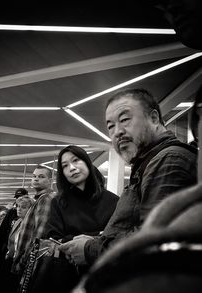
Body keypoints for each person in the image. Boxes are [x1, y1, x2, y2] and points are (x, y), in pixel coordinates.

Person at [59, 88, 197, 266]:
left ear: (154, 118)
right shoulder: (148, 164)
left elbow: (154, 241)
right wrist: (97, 241)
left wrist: (90, 250)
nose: (117, 132)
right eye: (110, 126)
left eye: (125, 119)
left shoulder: (168, 160)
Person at [28, 145, 119, 293]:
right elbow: (51, 237)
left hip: (102, 275)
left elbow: (118, 236)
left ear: (87, 163)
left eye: (76, 160)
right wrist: (95, 237)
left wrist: (88, 241)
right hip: (64, 275)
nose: (71, 168)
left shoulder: (113, 201)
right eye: (65, 166)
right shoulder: (58, 202)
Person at [12, 165, 56, 275]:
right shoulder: (39, 199)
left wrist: (23, 261)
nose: (36, 179)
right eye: (34, 176)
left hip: (29, 263)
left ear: (50, 181)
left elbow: (38, 236)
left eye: (41, 176)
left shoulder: (46, 199)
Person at [0, 187, 29, 292]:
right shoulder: (12, 213)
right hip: (7, 253)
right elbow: (2, 232)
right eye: (17, 198)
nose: (18, 200)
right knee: (1, 280)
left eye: (21, 197)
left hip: (19, 259)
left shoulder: (29, 220)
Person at [0, 196, 35, 293]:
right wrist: (9, 253)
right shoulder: (18, 221)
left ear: (30, 209)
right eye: (18, 206)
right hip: (10, 260)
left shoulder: (32, 224)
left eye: (23, 207)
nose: (19, 209)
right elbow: (11, 241)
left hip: (22, 263)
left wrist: (21, 261)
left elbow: (30, 246)